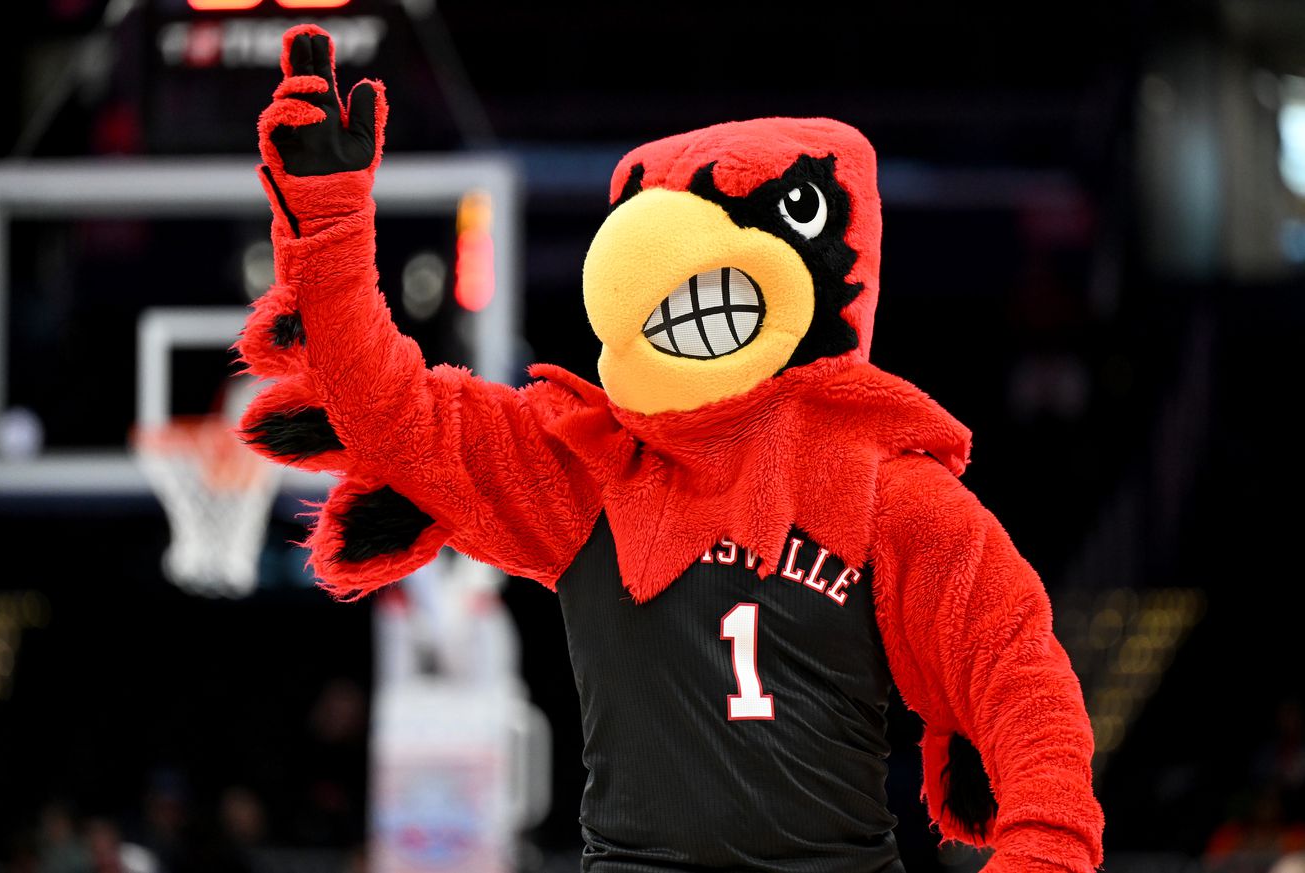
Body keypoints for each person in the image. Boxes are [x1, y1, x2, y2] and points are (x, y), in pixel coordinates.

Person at [236, 24, 1105, 872]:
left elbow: (1019, 677)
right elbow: (390, 413)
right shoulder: (587, 468)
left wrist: (1048, 847)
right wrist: (330, 227)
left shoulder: (889, 491)